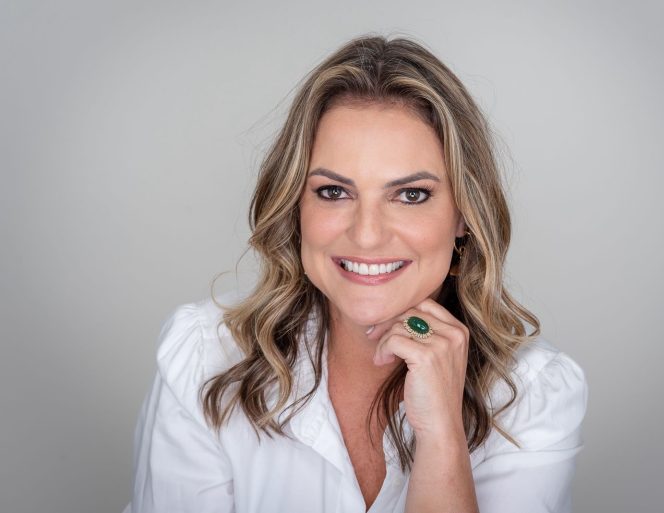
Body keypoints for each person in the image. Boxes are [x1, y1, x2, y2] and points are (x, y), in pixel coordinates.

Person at [125, 35, 588, 513]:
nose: (366, 236)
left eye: (410, 195)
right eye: (333, 192)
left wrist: (443, 436)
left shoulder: (532, 393)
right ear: (295, 206)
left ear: (464, 216)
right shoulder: (204, 356)